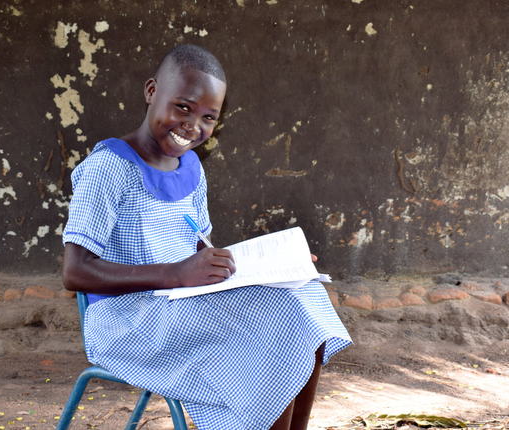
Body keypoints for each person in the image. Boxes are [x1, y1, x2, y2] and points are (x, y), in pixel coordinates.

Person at [62, 44, 352, 430]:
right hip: (126, 319)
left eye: (208, 117)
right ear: (151, 91)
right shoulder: (108, 169)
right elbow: (75, 272)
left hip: (180, 303)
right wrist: (178, 274)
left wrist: (278, 265)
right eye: (183, 107)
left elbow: (200, 249)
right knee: (275, 320)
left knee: (302, 295)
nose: (192, 126)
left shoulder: (191, 168)